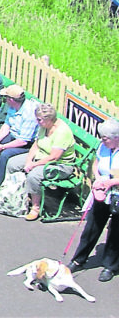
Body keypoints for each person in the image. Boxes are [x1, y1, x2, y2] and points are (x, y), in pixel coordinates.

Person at [0, 103, 76, 221]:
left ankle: (35, 207)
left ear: (49, 119)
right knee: (13, 163)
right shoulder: (44, 126)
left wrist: (33, 164)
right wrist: (28, 161)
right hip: (41, 155)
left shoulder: (62, 132)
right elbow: (36, 145)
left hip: (60, 165)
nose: (37, 122)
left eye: (39, 119)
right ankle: (9, 193)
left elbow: (54, 157)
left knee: (34, 175)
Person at [70, 119, 119, 281]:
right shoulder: (103, 146)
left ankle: (110, 266)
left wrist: (111, 182)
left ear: (117, 137)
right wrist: (97, 178)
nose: (102, 140)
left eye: (106, 138)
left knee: (115, 232)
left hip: (117, 193)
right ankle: (79, 259)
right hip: (102, 191)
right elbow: (96, 163)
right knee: (92, 227)